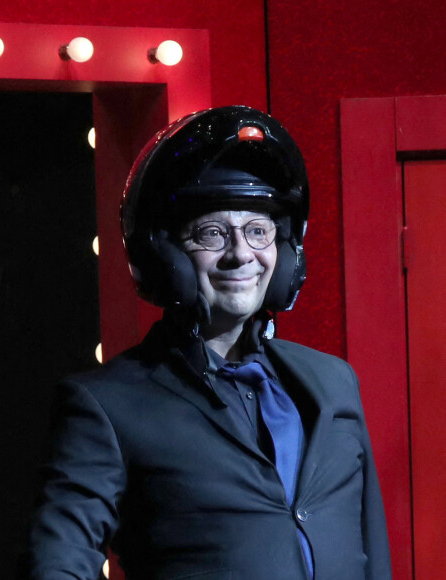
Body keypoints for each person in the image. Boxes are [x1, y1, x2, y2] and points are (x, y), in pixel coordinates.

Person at [27, 106, 392, 580]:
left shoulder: (333, 382)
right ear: (163, 256)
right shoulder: (106, 405)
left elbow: (373, 556)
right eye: (212, 233)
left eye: (259, 231)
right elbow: (55, 567)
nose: (242, 254)